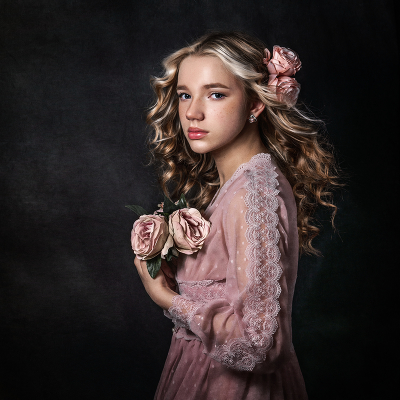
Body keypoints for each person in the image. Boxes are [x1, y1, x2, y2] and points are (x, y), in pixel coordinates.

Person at [134, 31, 339, 400]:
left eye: (215, 94)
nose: (192, 112)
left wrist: (166, 297)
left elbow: (259, 345)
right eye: (185, 94)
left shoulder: (252, 193)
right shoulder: (240, 185)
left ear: (255, 104)